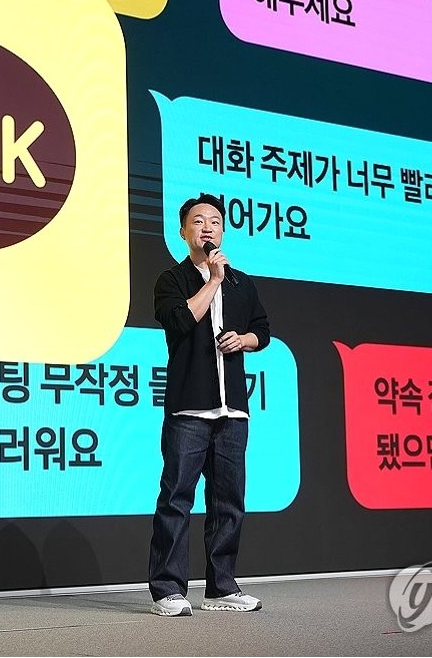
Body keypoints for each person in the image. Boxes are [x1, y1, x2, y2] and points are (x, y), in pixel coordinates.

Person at [147, 193, 270, 616]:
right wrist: (212, 280)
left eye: (215, 222)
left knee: (228, 502)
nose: (207, 228)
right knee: (176, 498)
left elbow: (262, 330)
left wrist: (245, 339)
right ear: (183, 231)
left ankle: (221, 588)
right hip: (189, 408)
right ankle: (167, 589)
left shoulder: (242, 283)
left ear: (223, 231)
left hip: (232, 409)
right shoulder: (172, 280)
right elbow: (180, 319)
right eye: (198, 221)